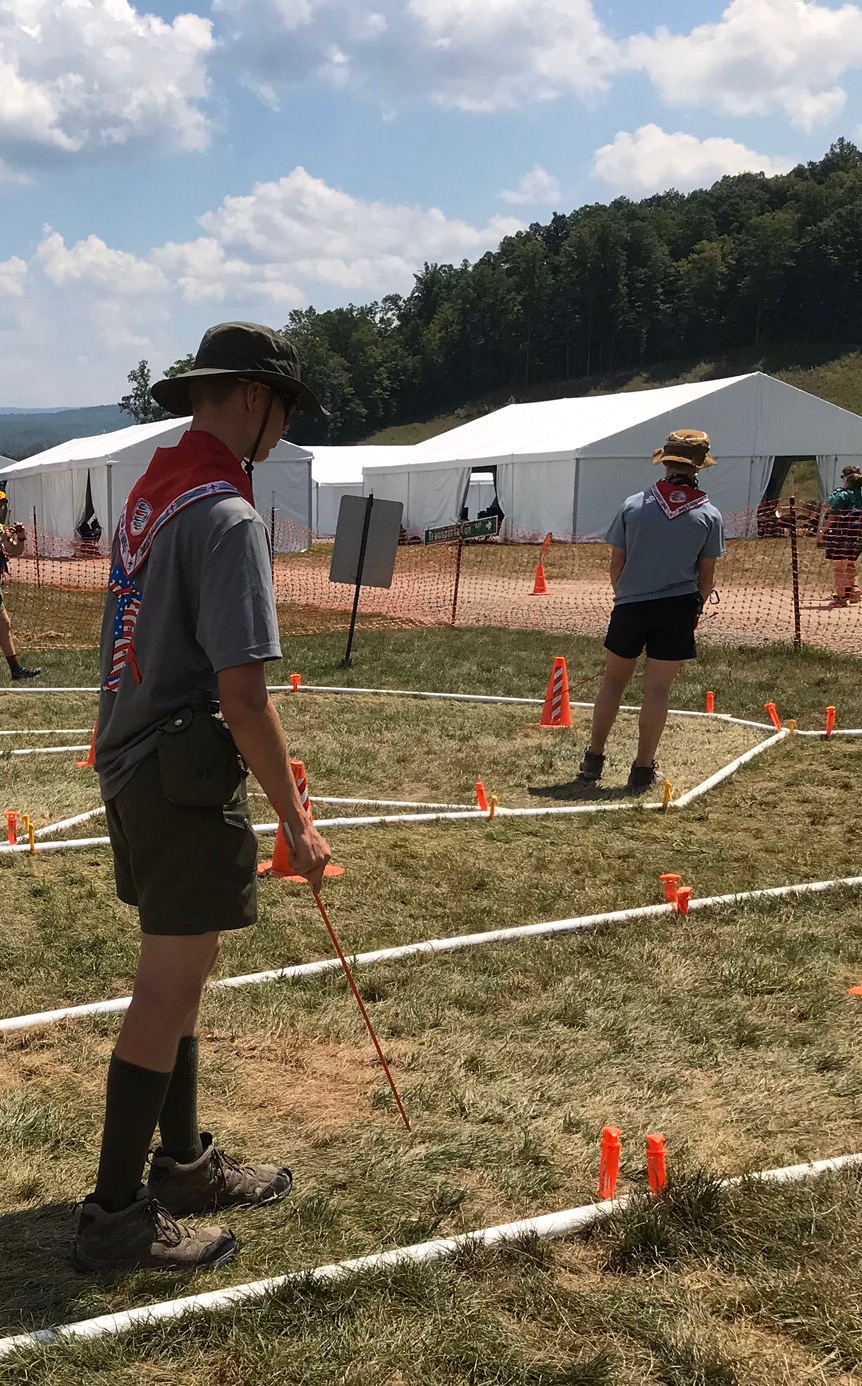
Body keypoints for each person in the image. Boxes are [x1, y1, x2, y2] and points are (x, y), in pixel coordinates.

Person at [73, 323, 332, 1274]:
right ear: (256, 398)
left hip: (135, 756)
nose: (283, 429)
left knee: (179, 972)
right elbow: (244, 696)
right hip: (179, 771)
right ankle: (115, 1216)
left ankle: (180, 1162)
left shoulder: (154, 489)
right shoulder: (225, 515)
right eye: (285, 409)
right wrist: (296, 822)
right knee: (168, 983)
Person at [578, 429, 725, 794]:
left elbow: (616, 564)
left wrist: (625, 596)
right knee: (657, 690)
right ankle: (642, 769)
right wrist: (694, 610)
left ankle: (593, 759)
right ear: (698, 467)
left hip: (630, 604)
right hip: (676, 608)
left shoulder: (632, 505)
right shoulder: (708, 514)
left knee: (613, 682)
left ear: (666, 461)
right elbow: (706, 576)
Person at [0, 490, 41, 681]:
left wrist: (21, 537)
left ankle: (15, 669)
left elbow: (14, 550)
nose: (1, 507)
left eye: (2, 504)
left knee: (4, 625)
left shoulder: (1, 528)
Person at [821, 465, 862, 607]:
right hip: (857, 535)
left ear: (846, 479)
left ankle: (841, 597)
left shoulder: (842, 494)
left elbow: (832, 513)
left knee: (838, 566)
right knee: (850, 562)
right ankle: (854, 590)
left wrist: (823, 531)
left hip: (840, 534)